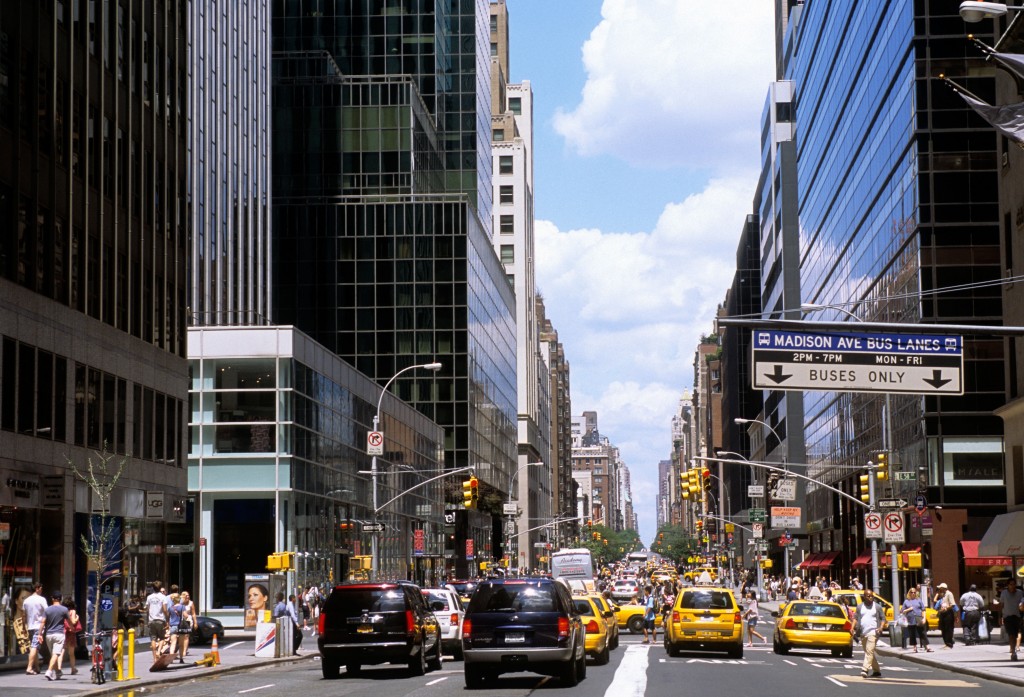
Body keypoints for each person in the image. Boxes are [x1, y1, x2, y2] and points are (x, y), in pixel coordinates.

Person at [853, 588, 887, 679]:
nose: (870, 597)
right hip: (863, 633)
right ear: (864, 597)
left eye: (872, 596)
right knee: (869, 652)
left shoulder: (877, 607)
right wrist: (852, 628)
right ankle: (876, 671)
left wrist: (880, 627)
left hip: (874, 632)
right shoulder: (860, 607)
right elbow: (855, 618)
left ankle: (865, 670)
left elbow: (883, 619)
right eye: (868, 596)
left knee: (869, 651)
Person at [42, 592, 69, 681]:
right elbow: (69, 622)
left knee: (54, 655)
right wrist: (73, 628)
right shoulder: (64, 609)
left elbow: (43, 622)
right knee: (56, 654)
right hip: (59, 634)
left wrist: (39, 634)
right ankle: (49, 671)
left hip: (49, 635)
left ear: (52, 598)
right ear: (60, 598)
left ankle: (58, 672)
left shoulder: (47, 610)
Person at [23, 582, 48, 675]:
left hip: (30, 626)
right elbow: (47, 611)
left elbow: (23, 615)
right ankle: (29, 668)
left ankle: (37, 667)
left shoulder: (26, 601)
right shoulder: (41, 599)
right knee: (34, 647)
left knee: (35, 647)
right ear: (37, 588)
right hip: (38, 627)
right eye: (41, 588)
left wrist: (24, 626)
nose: (41, 590)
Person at [997, 577, 1024, 661]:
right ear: (1008, 585)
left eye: (1014, 584)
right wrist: (1000, 617)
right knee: (1011, 634)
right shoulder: (1004, 593)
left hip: (1017, 616)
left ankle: (1013, 649)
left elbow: (1022, 604)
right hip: (1007, 616)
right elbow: (1001, 605)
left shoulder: (1020, 593)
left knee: (1016, 634)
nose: (1012, 586)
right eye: (1010, 584)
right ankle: (1013, 652)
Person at [900, 587, 932, 653]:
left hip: (918, 618)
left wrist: (924, 618)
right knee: (912, 634)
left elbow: (923, 610)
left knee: (922, 633)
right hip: (910, 620)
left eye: (914, 592)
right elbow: (902, 611)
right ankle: (915, 647)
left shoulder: (918, 600)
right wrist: (909, 609)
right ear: (909, 593)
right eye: (912, 592)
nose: (913, 593)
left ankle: (927, 647)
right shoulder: (906, 601)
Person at [146, 581, 169, 660]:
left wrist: (148, 619)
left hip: (152, 620)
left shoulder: (149, 597)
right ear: (160, 588)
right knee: (162, 638)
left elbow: (147, 609)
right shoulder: (163, 597)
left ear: (153, 588)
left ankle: (154, 658)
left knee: (153, 639)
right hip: (160, 619)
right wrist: (167, 620)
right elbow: (165, 610)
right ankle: (159, 652)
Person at [933, 582, 957, 649]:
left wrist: (946, 608)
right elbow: (935, 600)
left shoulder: (949, 594)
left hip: (948, 613)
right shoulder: (942, 594)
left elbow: (952, 604)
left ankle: (949, 644)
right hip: (942, 613)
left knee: (948, 629)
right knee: (943, 628)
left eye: (940, 588)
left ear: (943, 588)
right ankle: (946, 643)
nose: (939, 589)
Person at [10, 587, 31, 656]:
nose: (26, 602)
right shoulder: (11, 624)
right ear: (16, 601)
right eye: (23, 598)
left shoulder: (31, 622)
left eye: (29, 599)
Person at [63, 599, 81, 675]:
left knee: (61, 651)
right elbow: (73, 621)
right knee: (71, 653)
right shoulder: (72, 611)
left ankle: (59, 668)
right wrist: (77, 618)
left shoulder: (63, 611)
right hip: (71, 632)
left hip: (63, 632)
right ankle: (73, 669)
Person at [177, 591, 195, 663]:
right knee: (180, 637)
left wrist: (195, 622)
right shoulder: (180, 603)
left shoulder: (191, 603)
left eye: (188, 595)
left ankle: (184, 651)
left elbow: (193, 613)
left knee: (186, 636)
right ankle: (181, 650)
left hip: (188, 620)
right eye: (185, 595)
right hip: (180, 621)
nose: (187, 597)